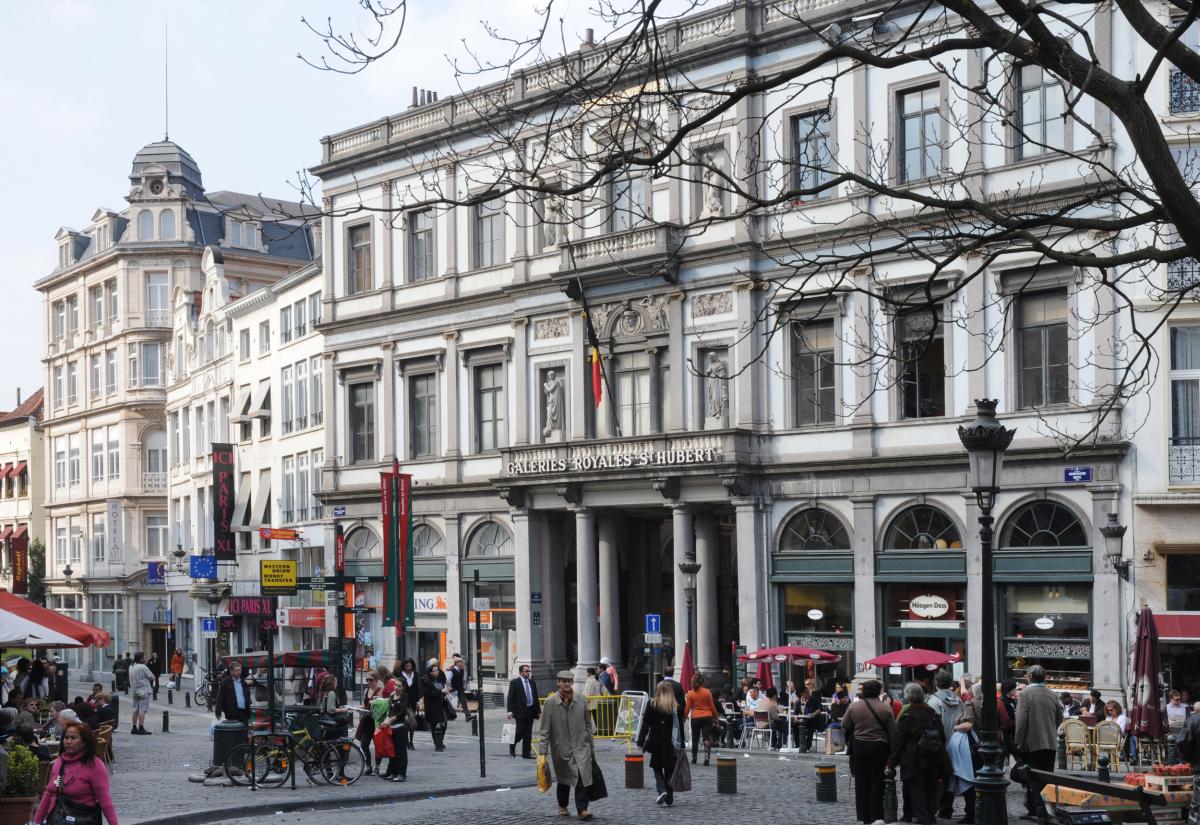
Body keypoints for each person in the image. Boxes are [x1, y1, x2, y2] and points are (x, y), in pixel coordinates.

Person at [32, 721, 119, 825]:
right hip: (57, 819)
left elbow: (105, 801)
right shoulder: (60, 762)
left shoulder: (94, 765)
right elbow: (53, 791)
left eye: (73, 738)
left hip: (83, 819)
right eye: (66, 737)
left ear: (84, 741)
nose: (68, 741)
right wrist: (36, 822)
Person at [538, 670, 597, 821]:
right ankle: (562, 805)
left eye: (569, 681)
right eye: (563, 681)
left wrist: (591, 744)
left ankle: (582, 809)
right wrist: (542, 753)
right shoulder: (550, 703)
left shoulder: (581, 700)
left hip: (581, 746)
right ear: (558, 683)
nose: (566, 684)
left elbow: (588, 724)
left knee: (582, 778)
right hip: (561, 748)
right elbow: (544, 731)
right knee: (564, 780)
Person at [890, 682, 947, 825]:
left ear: (908, 697)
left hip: (912, 757)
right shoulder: (932, 713)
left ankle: (921, 817)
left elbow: (899, 740)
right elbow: (942, 736)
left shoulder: (907, 715)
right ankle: (927, 815)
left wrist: (892, 761)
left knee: (914, 786)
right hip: (932, 755)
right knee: (930, 786)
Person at [842, 679, 896, 825]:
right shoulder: (885, 708)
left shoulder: (854, 707)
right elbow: (892, 732)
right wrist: (893, 754)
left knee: (861, 781)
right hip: (880, 746)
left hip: (860, 746)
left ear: (864, 691)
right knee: (877, 781)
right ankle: (876, 815)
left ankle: (864, 815)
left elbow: (844, 724)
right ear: (879, 691)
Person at [1015, 665, 1062, 821]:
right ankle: (1044, 809)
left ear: (1028, 677)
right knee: (1046, 778)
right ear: (1044, 677)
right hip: (1049, 743)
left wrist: (1019, 742)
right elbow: (1059, 717)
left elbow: (1021, 721)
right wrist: (1050, 729)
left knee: (1032, 778)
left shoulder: (1025, 694)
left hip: (1032, 743)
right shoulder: (1052, 694)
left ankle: (1036, 810)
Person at [637, 680, 683, 807]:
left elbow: (646, 724)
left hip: (655, 741)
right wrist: (682, 744)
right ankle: (670, 796)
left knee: (657, 767)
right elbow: (680, 727)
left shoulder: (652, 703)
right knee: (669, 769)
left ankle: (662, 790)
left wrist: (640, 741)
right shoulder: (675, 706)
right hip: (671, 742)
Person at [928, 670, 964, 821]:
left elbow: (931, 725)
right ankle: (946, 808)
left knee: (937, 776)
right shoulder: (958, 699)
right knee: (951, 776)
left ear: (936, 683)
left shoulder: (933, 701)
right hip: (955, 742)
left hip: (940, 744)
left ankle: (937, 807)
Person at [506, 663, 541, 759]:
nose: (528, 673)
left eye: (529, 671)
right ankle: (512, 744)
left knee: (528, 734)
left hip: (530, 710)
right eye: (526, 671)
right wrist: (509, 711)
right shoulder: (515, 682)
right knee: (520, 731)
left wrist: (538, 710)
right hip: (520, 711)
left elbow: (535, 697)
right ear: (521, 672)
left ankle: (526, 754)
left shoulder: (532, 682)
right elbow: (510, 697)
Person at [684, 674, 718, 766]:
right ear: (702, 682)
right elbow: (712, 706)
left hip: (695, 717)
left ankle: (694, 758)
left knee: (695, 738)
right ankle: (707, 757)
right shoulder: (707, 692)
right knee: (706, 738)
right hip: (707, 716)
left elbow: (687, 708)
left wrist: (684, 717)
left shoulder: (690, 693)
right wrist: (716, 717)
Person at [381, 681, 410, 782]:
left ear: (403, 687)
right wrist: (386, 720)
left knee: (400, 751)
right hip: (391, 727)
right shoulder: (392, 695)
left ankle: (401, 774)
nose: (396, 687)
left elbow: (402, 713)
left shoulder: (404, 696)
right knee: (392, 751)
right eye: (395, 685)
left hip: (401, 727)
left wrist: (390, 720)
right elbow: (390, 711)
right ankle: (393, 772)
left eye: (399, 686)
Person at [421, 664, 449, 751]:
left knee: (444, 723)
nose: (437, 672)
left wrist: (446, 691)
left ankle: (440, 740)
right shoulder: (426, 681)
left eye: (437, 670)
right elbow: (427, 693)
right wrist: (440, 691)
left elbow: (443, 688)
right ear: (430, 672)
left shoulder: (440, 679)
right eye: (435, 670)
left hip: (441, 704)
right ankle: (437, 742)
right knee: (433, 725)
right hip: (432, 706)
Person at [215, 660, 252, 727]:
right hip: (232, 713)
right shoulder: (225, 682)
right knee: (234, 732)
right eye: (237, 670)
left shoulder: (243, 681)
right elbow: (220, 697)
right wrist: (218, 712)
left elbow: (247, 694)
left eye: (240, 670)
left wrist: (248, 703)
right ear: (231, 671)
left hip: (244, 712)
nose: (239, 672)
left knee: (244, 732)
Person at [127, 653, 154, 735]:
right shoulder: (143, 667)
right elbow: (152, 677)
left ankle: (134, 728)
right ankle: (141, 728)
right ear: (141, 659)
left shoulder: (131, 666)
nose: (145, 658)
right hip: (143, 690)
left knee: (135, 709)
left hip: (135, 690)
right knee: (142, 710)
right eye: (144, 657)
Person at [396, 658, 420, 750]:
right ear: (404, 666)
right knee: (404, 720)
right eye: (407, 666)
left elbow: (417, 688)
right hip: (403, 699)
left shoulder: (415, 674)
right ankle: (406, 741)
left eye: (410, 666)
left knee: (412, 720)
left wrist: (418, 701)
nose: (409, 668)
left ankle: (411, 741)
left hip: (412, 701)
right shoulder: (399, 674)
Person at [447, 654, 474, 723]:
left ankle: (468, 716)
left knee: (464, 702)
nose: (462, 663)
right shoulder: (452, 671)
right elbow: (448, 680)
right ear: (457, 663)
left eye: (462, 662)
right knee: (451, 704)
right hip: (454, 689)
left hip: (460, 689)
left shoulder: (461, 670)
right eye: (461, 662)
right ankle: (449, 715)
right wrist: (449, 688)